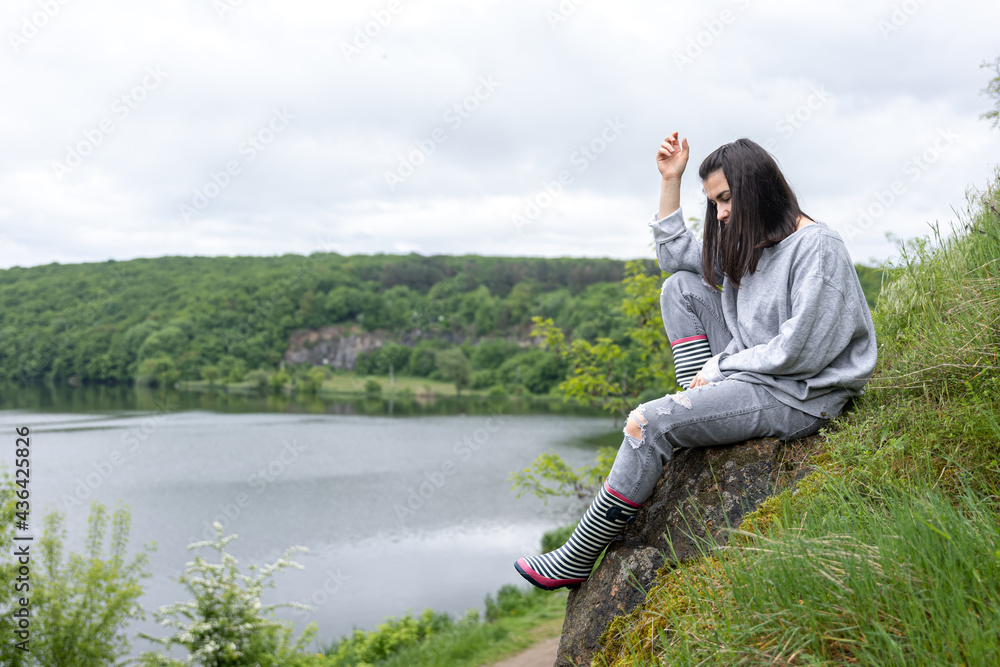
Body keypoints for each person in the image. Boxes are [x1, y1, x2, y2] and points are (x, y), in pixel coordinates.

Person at [515, 132, 877, 590]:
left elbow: (800, 350)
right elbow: (673, 258)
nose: (721, 213)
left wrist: (721, 368)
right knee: (679, 288)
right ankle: (699, 402)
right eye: (714, 204)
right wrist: (671, 179)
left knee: (646, 423)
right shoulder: (752, 241)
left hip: (802, 393)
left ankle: (578, 556)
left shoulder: (817, 247)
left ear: (758, 189)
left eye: (726, 199)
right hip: (757, 370)